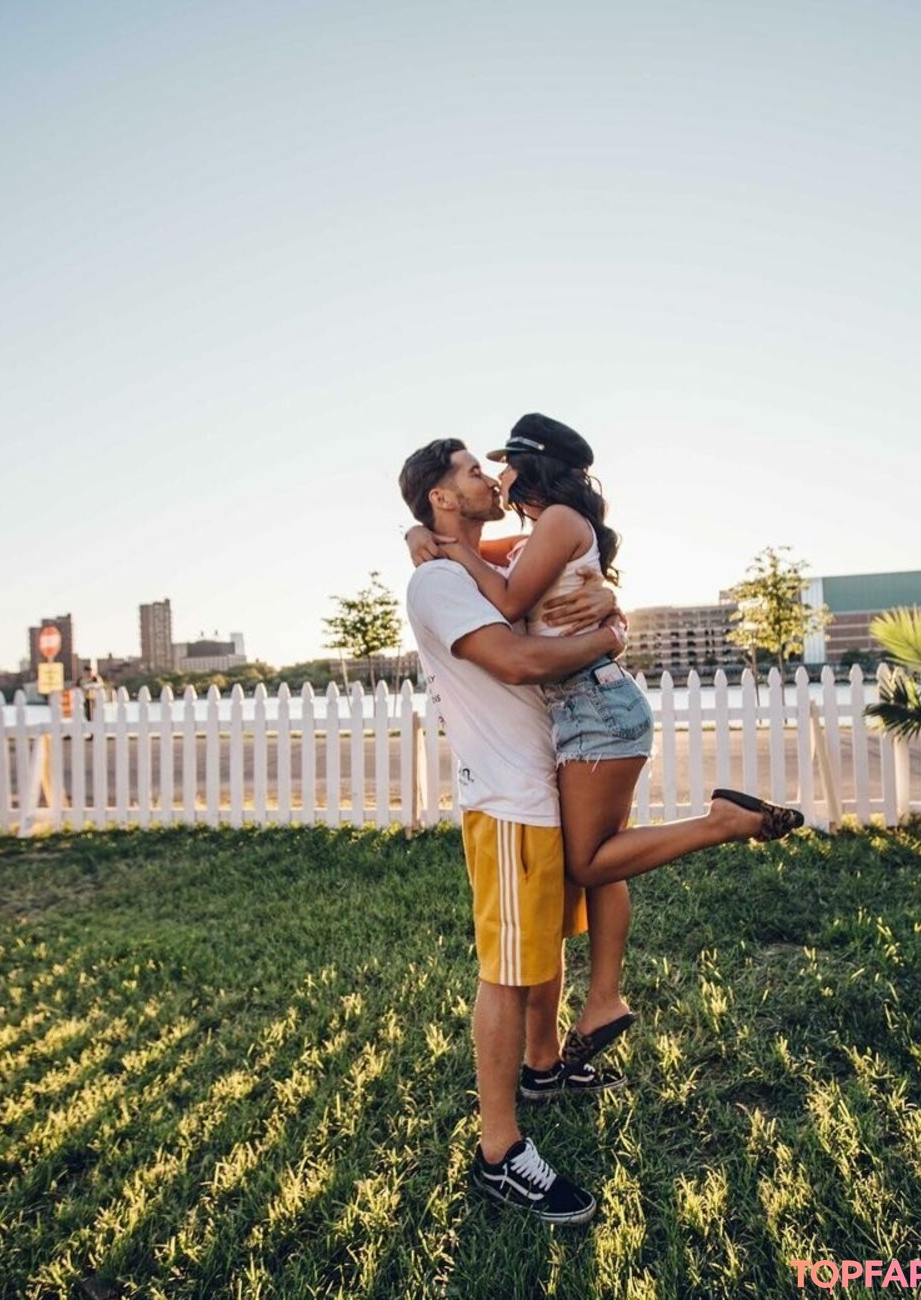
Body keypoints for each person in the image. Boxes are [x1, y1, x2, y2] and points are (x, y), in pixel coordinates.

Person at [406, 414, 804, 1072]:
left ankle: (722, 823)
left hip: (594, 705)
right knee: (598, 860)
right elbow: (481, 550)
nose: (498, 476)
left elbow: (506, 601)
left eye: (505, 463)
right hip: (584, 708)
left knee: (590, 863)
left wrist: (608, 628)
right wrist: (421, 535)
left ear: (534, 465)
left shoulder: (560, 521)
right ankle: (602, 1002)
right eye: (483, 468)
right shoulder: (542, 532)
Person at [400, 437, 631, 1226]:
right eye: (471, 472)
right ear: (441, 497)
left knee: (544, 949)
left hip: (544, 784)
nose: (490, 479)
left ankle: (542, 1066)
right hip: (505, 799)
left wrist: (610, 606)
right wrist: (608, 637)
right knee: (505, 972)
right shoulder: (437, 582)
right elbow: (520, 661)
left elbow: (548, 577)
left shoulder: (473, 561)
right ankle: (500, 1151)